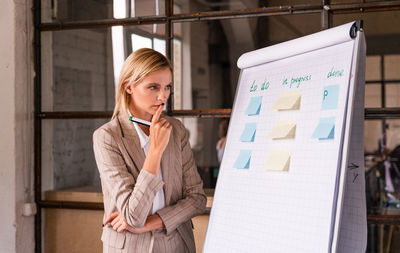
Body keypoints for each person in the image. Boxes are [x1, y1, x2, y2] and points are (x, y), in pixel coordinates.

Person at [93, 48, 207, 253]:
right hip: (130, 247)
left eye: (167, 87)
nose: (163, 96)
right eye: (153, 87)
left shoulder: (176, 129)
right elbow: (132, 216)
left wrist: (151, 223)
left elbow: (197, 199)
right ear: (129, 86)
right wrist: (155, 150)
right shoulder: (107, 137)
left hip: (177, 243)